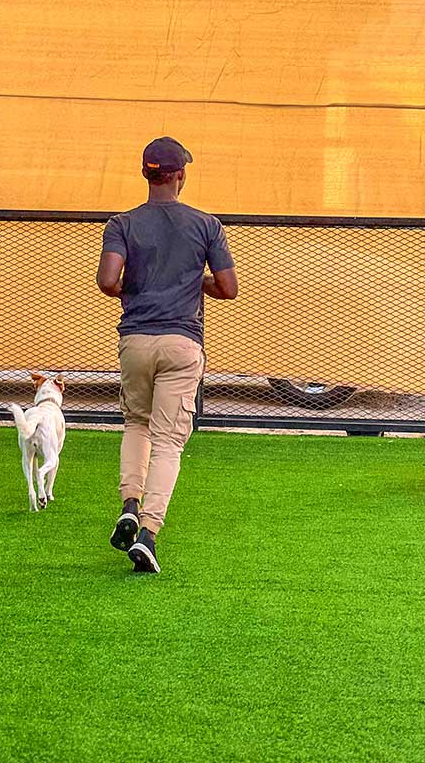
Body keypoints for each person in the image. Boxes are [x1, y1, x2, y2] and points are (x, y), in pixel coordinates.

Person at [96, 137, 238, 573]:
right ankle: (149, 534)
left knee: (136, 424)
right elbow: (228, 288)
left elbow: (107, 281)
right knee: (169, 442)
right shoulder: (206, 225)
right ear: (180, 175)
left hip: (135, 340)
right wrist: (195, 282)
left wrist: (138, 286)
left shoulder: (122, 224)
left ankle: (129, 504)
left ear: (146, 174)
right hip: (182, 342)